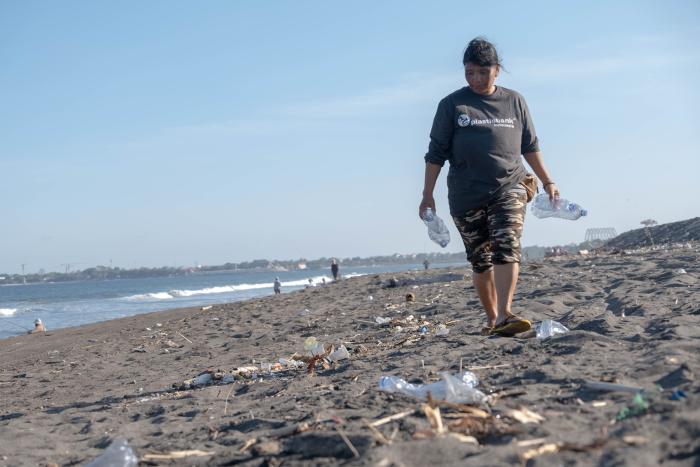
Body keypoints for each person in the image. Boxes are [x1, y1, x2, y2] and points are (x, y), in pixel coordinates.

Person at [419, 37, 559, 337]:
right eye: (470, 72)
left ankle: (506, 312)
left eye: (483, 72)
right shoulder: (452, 105)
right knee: (480, 260)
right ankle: (494, 318)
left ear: (497, 70)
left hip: (509, 185)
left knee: (506, 243)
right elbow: (435, 154)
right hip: (466, 196)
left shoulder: (514, 101)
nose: (476, 79)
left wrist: (547, 180)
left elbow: (530, 146)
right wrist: (427, 194)